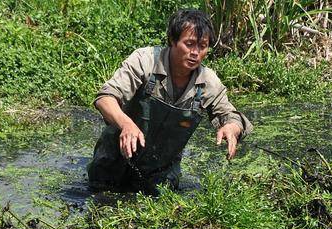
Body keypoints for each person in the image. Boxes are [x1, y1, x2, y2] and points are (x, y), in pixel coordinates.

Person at [88, 9, 252, 193]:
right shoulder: (145, 61)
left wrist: (231, 127)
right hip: (113, 161)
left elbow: (231, 115)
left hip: (161, 173)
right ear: (172, 41)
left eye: (202, 46)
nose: (195, 53)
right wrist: (126, 124)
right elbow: (105, 98)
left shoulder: (208, 82)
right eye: (189, 44)